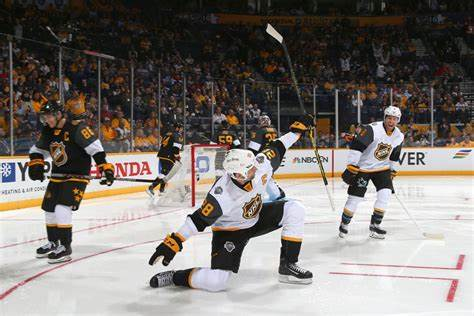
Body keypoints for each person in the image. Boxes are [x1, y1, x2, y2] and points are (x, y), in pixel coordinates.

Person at [147, 114, 315, 291]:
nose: (247, 174)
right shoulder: (221, 194)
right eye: (241, 173)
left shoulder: (261, 162)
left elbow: (280, 145)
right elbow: (198, 220)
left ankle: (288, 266)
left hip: (255, 217)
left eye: (248, 170)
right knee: (216, 282)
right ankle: (176, 277)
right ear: (233, 174)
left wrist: (297, 131)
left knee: (295, 209)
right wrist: (174, 242)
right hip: (230, 231)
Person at [28, 101, 114, 263]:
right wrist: (36, 163)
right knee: (49, 208)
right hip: (57, 175)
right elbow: (37, 150)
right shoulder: (48, 130)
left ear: (59, 114)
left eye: (49, 116)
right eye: (44, 117)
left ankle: (66, 247)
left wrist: (105, 168)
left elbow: (95, 148)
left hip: (77, 175)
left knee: (62, 207)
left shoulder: (76, 128)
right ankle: (54, 242)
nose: (47, 120)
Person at [338, 106, 404, 239]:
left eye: (395, 119)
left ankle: (375, 226)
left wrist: (393, 169)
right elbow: (357, 145)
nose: (391, 121)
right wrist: (352, 165)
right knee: (355, 199)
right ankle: (344, 224)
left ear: (398, 120)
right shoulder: (372, 129)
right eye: (389, 118)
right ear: (385, 118)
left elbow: (395, 154)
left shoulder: (399, 135)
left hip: (382, 168)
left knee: (385, 195)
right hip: (363, 168)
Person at [248, 115, 284, 201]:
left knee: (259, 176)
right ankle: (277, 193)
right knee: (267, 175)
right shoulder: (275, 130)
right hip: (274, 155)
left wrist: (250, 158)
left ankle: (276, 193)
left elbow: (253, 148)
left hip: (263, 157)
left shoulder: (260, 131)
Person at [146, 122, 184, 197]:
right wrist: (177, 157)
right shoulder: (177, 135)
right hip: (169, 156)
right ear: (177, 128)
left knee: (165, 172)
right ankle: (151, 188)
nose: (181, 130)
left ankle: (161, 190)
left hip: (162, 154)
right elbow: (176, 148)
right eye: (181, 128)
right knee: (164, 173)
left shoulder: (168, 134)